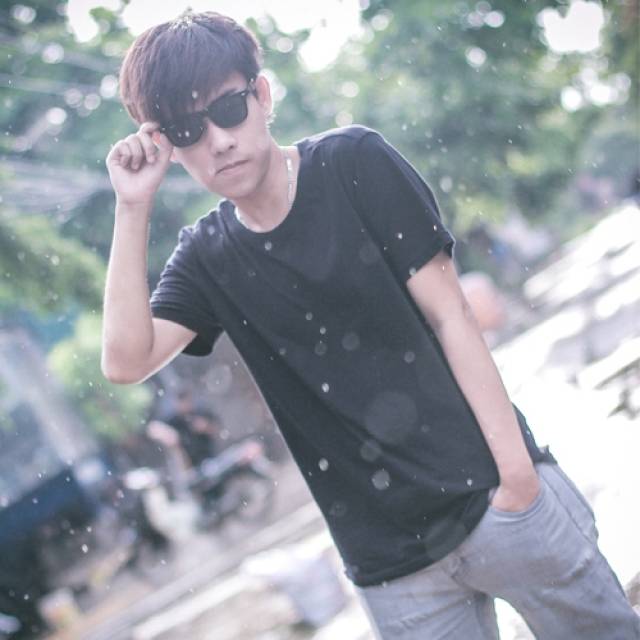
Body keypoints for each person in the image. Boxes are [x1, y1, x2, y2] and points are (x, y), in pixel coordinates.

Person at [101, 10, 640, 639]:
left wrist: (517, 482)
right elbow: (125, 361)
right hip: (395, 572)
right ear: (168, 145)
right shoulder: (206, 257)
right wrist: (132, 206)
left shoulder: (354, 163)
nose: (218, 140)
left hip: (497, 496)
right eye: (189, 129)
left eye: (228, 109)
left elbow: (451, 315)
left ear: (262, 95)